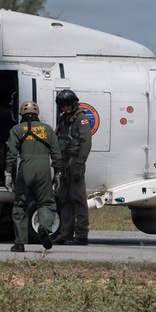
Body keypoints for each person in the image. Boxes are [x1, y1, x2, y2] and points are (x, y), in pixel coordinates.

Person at [5, 101, 61, 253]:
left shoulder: (17, 129)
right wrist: (57, 173)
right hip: (43, 169)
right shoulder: (48, 130)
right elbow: (56, 154)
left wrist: (8, 173)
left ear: (21, 114)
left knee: (20, 205)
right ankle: (44, 226)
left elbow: (11, 153)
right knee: (47, 203)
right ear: (37, 113)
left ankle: (19, 243)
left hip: (25, 169)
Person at [52, 89, 92, 246]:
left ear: (73, 104)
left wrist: (80, 164)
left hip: (75, 162)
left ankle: (81, 235)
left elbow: (86, 143)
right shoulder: (62, 121)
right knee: (64, 199)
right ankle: (65, 234)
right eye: (62, 106)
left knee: (78, 199)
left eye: (68, 105)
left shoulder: (81, 119)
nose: (65, 108)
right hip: (63, 162)